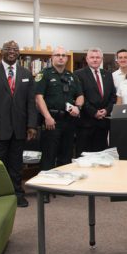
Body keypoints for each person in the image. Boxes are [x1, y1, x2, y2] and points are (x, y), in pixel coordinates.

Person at [0, 40, 37, 207]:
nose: (12, 51)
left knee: (17, 165)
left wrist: (31, 125)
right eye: (8, 49)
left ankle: (17, 194)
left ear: (19, 53)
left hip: (19, 128)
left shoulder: (26, 73)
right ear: (1, 52)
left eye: (15, 49)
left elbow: (31, 103)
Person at [35, 46, 84, 177]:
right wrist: (47, 117)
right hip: (51, 120)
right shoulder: (44, 74)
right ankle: (45, 189)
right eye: (58, 55)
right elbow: (39, 98)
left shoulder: (72, 76)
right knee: (49, 155)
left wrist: (78, 108)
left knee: (66, 154)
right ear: (52, 57)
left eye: (63, 55)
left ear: (67, 58)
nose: (61, 57)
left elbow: (80, 95)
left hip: (69, 121)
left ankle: (63, 184)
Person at [74, 47, 116, 157]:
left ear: (101, 59)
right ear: (87, 59)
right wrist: (94, 112)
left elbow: (112, 96)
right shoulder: (78, 74)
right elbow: (80, 96)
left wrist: (106, 110)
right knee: (84, 157)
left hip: (103, 124)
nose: (95, 60)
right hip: (86, 123)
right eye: (92, 57)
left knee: (101, 157)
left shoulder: (108, 74)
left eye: (97, 57)